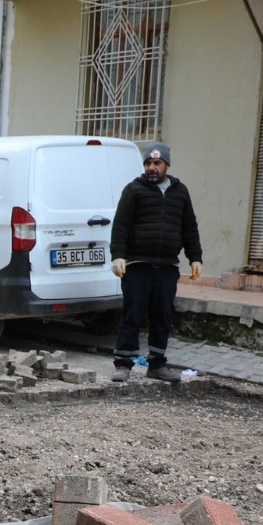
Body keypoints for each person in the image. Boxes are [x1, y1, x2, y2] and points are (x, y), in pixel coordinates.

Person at [108, 142, 202, 383]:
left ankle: (157, 364)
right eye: (148, 163)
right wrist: (118, 255)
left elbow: (189, 226)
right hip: (138, 264)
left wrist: (195, 257)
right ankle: (123, 364)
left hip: (167, 266)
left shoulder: (180, 192)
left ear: (166, 165)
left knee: (163, 316)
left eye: (157, 163)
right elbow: (120, 225)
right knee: (133, 314)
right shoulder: (133, 190)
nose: (152, 167)